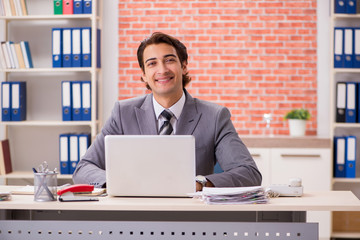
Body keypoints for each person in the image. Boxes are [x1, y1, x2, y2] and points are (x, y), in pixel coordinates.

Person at [73, 32, 262, 191]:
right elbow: (83, 169)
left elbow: (248, 172)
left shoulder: (214, 116)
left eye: (169, 60)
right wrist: (119, 182)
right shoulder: (123, 113)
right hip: (134, 216)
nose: (162, 70)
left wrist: (200, 183)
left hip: (192, 218)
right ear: (143, 74)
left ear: (184, 66)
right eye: (152, 63)